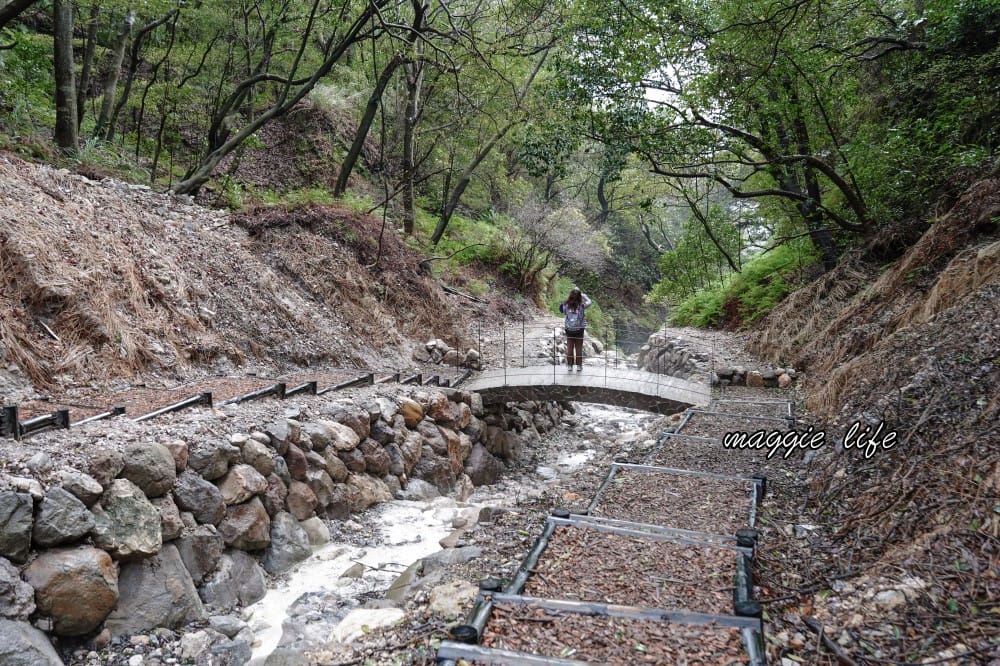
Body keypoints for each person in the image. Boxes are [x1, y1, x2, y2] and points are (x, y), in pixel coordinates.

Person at [559, 287, 592, 371]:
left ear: (570, 295)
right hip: (579, 329)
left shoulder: (566, 305)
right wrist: (584, 296)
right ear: (579, 296)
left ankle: (570, 366)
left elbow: (562, 310)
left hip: (569, 329)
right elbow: (590, 302)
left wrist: (568, 298)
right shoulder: (582, 306)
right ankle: (579, 366)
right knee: (579, 348)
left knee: (569, 347)